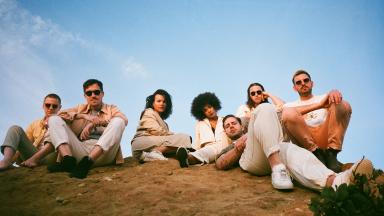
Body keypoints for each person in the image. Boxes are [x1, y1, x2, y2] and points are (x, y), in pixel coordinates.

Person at [215, 106, 372, 191]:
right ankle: (277, 167)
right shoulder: (226, 145)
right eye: (227, 126)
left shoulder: (253, 128)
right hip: (251, 159)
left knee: (268, 113)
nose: (230, 127)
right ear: (225, 132)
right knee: (263, 109)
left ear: (242, 126)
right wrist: (237, 148)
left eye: (233, 123)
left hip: (274, 151)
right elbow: (220, 163)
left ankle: (337, 182)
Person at [47, 79, 127, 179]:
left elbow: (124, 119)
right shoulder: (80, 108)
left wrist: (95, 123)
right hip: (81, 151)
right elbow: (59, 114)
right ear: (85, 96)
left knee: (118, 121)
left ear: (102, 94)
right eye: (89, 93)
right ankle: (68, 160)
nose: (93, 95)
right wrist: (83, 116)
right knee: (54, 119)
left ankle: (88, 162)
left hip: (105, 154)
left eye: (96, 92)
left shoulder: (111, 108)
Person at [282, 70, 352, 172]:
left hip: (325, 137)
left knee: (343, 104)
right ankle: (315, 154)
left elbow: (340, 109)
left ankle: (332, 153)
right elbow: (286, 115)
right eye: (298, 82)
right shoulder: (289, 105)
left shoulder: (324, 98)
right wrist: (319, 105)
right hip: (305, 143)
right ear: (294, 88)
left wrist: (333, 92)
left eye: (306, 80)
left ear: (312, 83)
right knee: (288, 113)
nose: (303, 83)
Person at [0, 94, 62, 171]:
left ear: (60, 108)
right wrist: (12, 161)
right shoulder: (35, 124)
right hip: (32, 154)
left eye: (54, 106)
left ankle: (33, 160)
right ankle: (6, 161)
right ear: (43, 106)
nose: (51, 108)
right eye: (48, 105)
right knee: (15, 129)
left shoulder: (63, 122)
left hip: (51, 157)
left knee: (56, 133)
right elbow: (22, 144)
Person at [131, 89, 191, 162]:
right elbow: (155, 130)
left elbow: (166, 141)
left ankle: (152, 155)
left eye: (164, 102)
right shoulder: (149, 112)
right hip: (142, 142)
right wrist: (174, 136)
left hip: (148, 150)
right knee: (185, 138)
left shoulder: (165, 123)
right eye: (159, 101)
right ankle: (156, 152)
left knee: (183, 146)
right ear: (153, 103)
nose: (162, 104)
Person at [176, 92, 229, 167]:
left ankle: (188, 158)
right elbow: (197, 140)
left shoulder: (225, 120)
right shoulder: (200, 124)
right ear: (202, 113)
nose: (209, 111)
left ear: (215, 106)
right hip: (209, 148)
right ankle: (187, 158)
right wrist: (192, 149)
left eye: (210, 107)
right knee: (204, 152)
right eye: (205, 110)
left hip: (224, 147)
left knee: (206, 152)